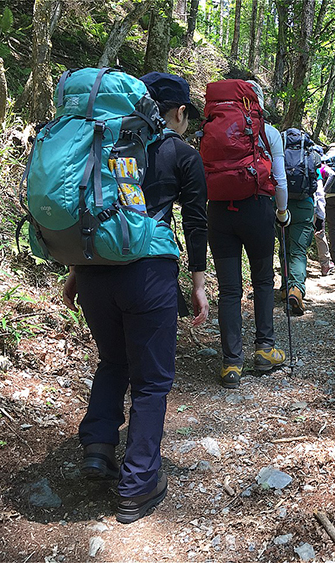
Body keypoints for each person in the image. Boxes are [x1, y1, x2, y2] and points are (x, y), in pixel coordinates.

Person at [63, 72, 209, 524]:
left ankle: (99, 448)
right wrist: (199, 283)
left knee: (112, 361)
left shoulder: (101, 142)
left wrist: (75, 272)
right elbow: (196, 222)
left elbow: (88, 207)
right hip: (148, 276)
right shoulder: (181, 153)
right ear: (180, 112)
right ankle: (138, 483)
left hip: (93, 273)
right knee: (151, 381)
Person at [204, 78, 289, 389]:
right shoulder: (268, 132)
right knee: (264, 281)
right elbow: (279, 181)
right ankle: (265, 350)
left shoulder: (212, 129)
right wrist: (282, 213)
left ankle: (231, 364)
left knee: (229, 290)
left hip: (219, 211)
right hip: (257, 209)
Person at [279, 128, 319, 315]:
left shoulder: (278, 151)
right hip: (304, 206)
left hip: (279, 205)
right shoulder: (311, 153)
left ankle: (284, 287)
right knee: (298, 251)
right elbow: (316, 183)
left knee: (284, 246)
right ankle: (296, 289)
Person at [314, 155, 335, 275]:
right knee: (320, 235)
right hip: (315, 206)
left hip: (294, 205)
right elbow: (332, 174)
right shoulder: (320, 168)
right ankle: (325, 265)